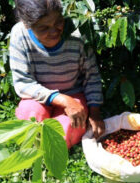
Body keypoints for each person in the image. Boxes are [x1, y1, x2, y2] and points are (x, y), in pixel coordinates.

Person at [9, 0, 105, 149]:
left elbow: (91, 75)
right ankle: (37, 147)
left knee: (67, 130)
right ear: (28, 25)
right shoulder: (19, 34)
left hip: (74, 94)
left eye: (58, 22)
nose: (54, 31)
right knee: (30, 116)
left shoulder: (77, 33)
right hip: (37, 97)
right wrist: (62, 100)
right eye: (44, 28)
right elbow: (23, 83)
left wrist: (94, 112)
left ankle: (49, 149)